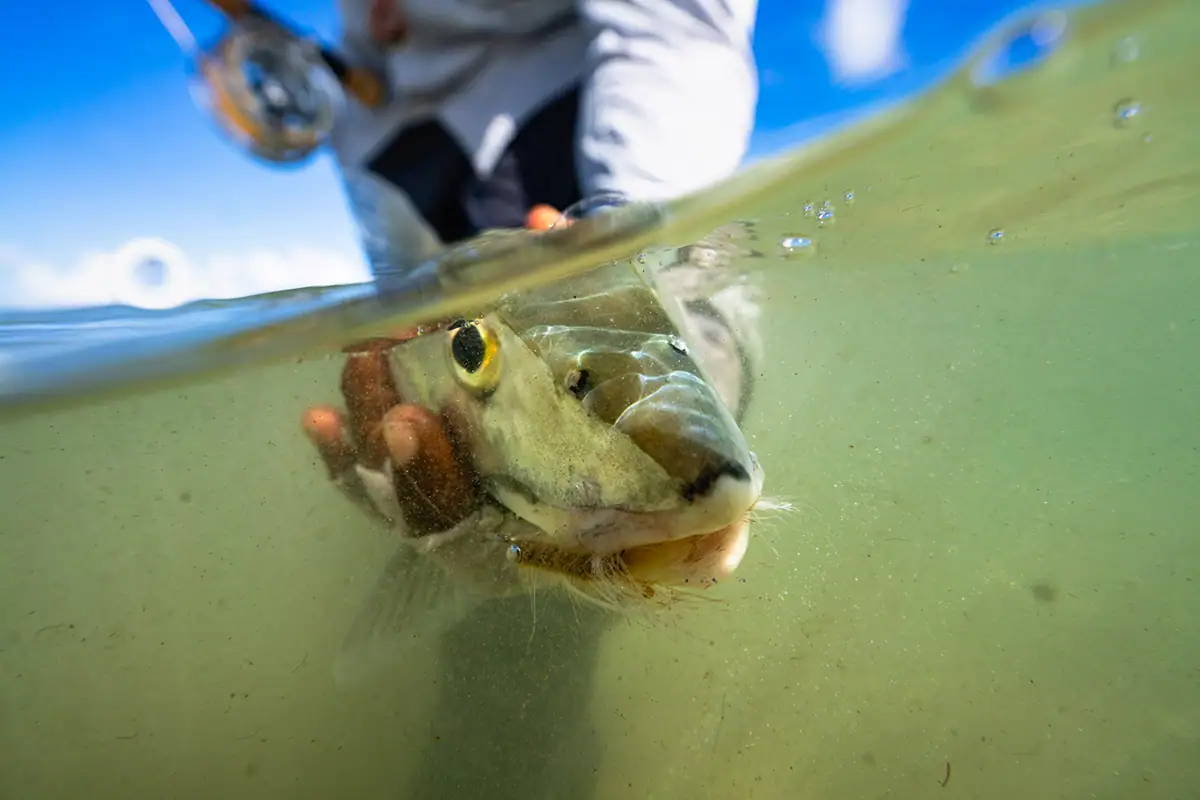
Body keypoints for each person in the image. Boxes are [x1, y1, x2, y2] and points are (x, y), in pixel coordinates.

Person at [302, 2, 762, 796]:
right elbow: (405, 294)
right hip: (499, 436)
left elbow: (683, 33)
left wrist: (652, 291)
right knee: (480, 692)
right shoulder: (349, 108)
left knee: (531, 682)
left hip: (641, 286)